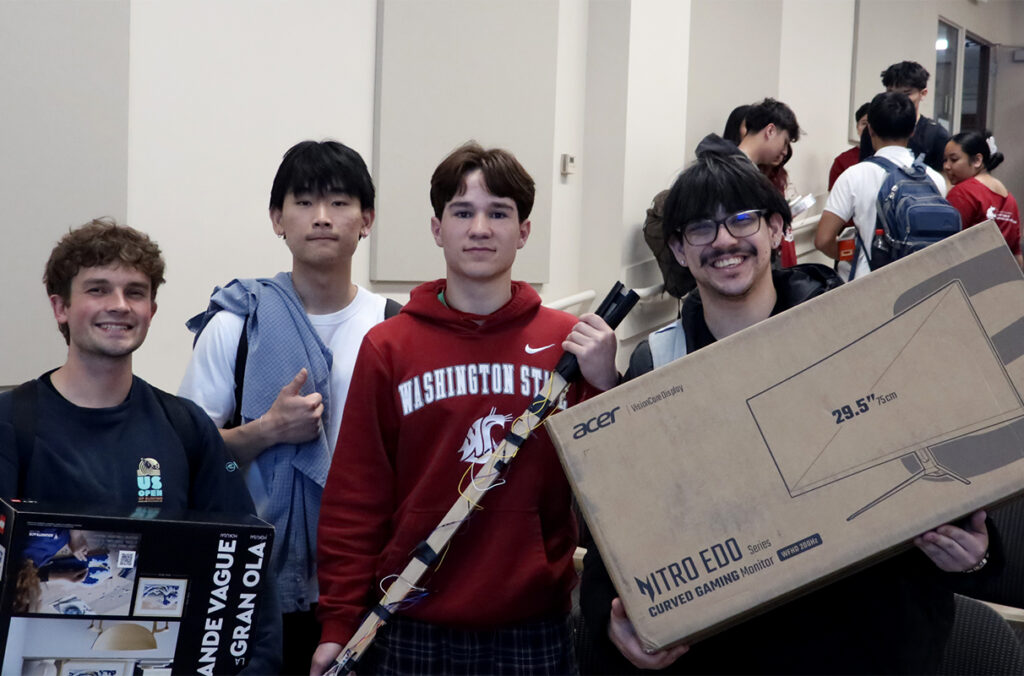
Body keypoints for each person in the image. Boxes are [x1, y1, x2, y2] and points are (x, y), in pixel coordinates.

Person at [579, 142, 994, 675]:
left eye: (742, 221)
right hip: (728, 652)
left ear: (777, 230)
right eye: (700, 229)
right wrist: (610, 622)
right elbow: (620, 534)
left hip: (865, 643)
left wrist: (976, 556)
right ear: (679, 251)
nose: (724, 240)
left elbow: (951, 481)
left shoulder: (858, 332)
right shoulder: (657, 368)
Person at [312, 141, 618, 675]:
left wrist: (605, 383)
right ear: (438, 229)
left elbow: (614, 483)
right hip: (408, 619)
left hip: (533, 622)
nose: (480, 228)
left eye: (499, 213)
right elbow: (355, 497)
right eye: (463, 212)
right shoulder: (389, 346)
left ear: (523, 231)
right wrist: (338, 624)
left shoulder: (569, 344)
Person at [0, 219, 280, 672]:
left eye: (135, 291)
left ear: (151, 308)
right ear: (60, 307)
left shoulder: (186, 426)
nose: (119, 306)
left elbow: (247, 570)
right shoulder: (11, 422)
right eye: (97, 289)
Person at [179, 140, 396, 675]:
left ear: (366, 219)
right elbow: (188, 459)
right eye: (303, 202)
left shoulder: (395, 328)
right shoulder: (237, 325)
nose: (322, 218)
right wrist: (267, 431)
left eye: (340, 203)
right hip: (252, 580)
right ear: (277, 219)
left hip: (366, 578)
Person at [815, 91, 947, 280]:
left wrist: (855, 255)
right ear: (912, 130)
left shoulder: (854, 176)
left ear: (870, 130)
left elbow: (823, 240)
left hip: (869, 283)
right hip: (920, 281)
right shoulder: (934, 179)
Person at [943, 130, 1022, 267]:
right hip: (1001, 280)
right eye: (945, 160)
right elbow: (1016, 255)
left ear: (977, 160)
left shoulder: (964, 193)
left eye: (954, 159)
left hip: (969, 279)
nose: (946, 166)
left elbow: (945, 246)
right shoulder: (1010, 199)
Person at [859, 60, 950, 173]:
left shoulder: (936, 135)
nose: (897, 99)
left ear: (923, 93)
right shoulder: (874, 128)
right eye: (890, 92)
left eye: (906, 94)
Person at [828, 101, 870, 190]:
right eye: (864, 123)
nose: (868, 129)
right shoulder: (842, 161)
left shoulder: (887, 157)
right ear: (857, 128)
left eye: (872, 124)